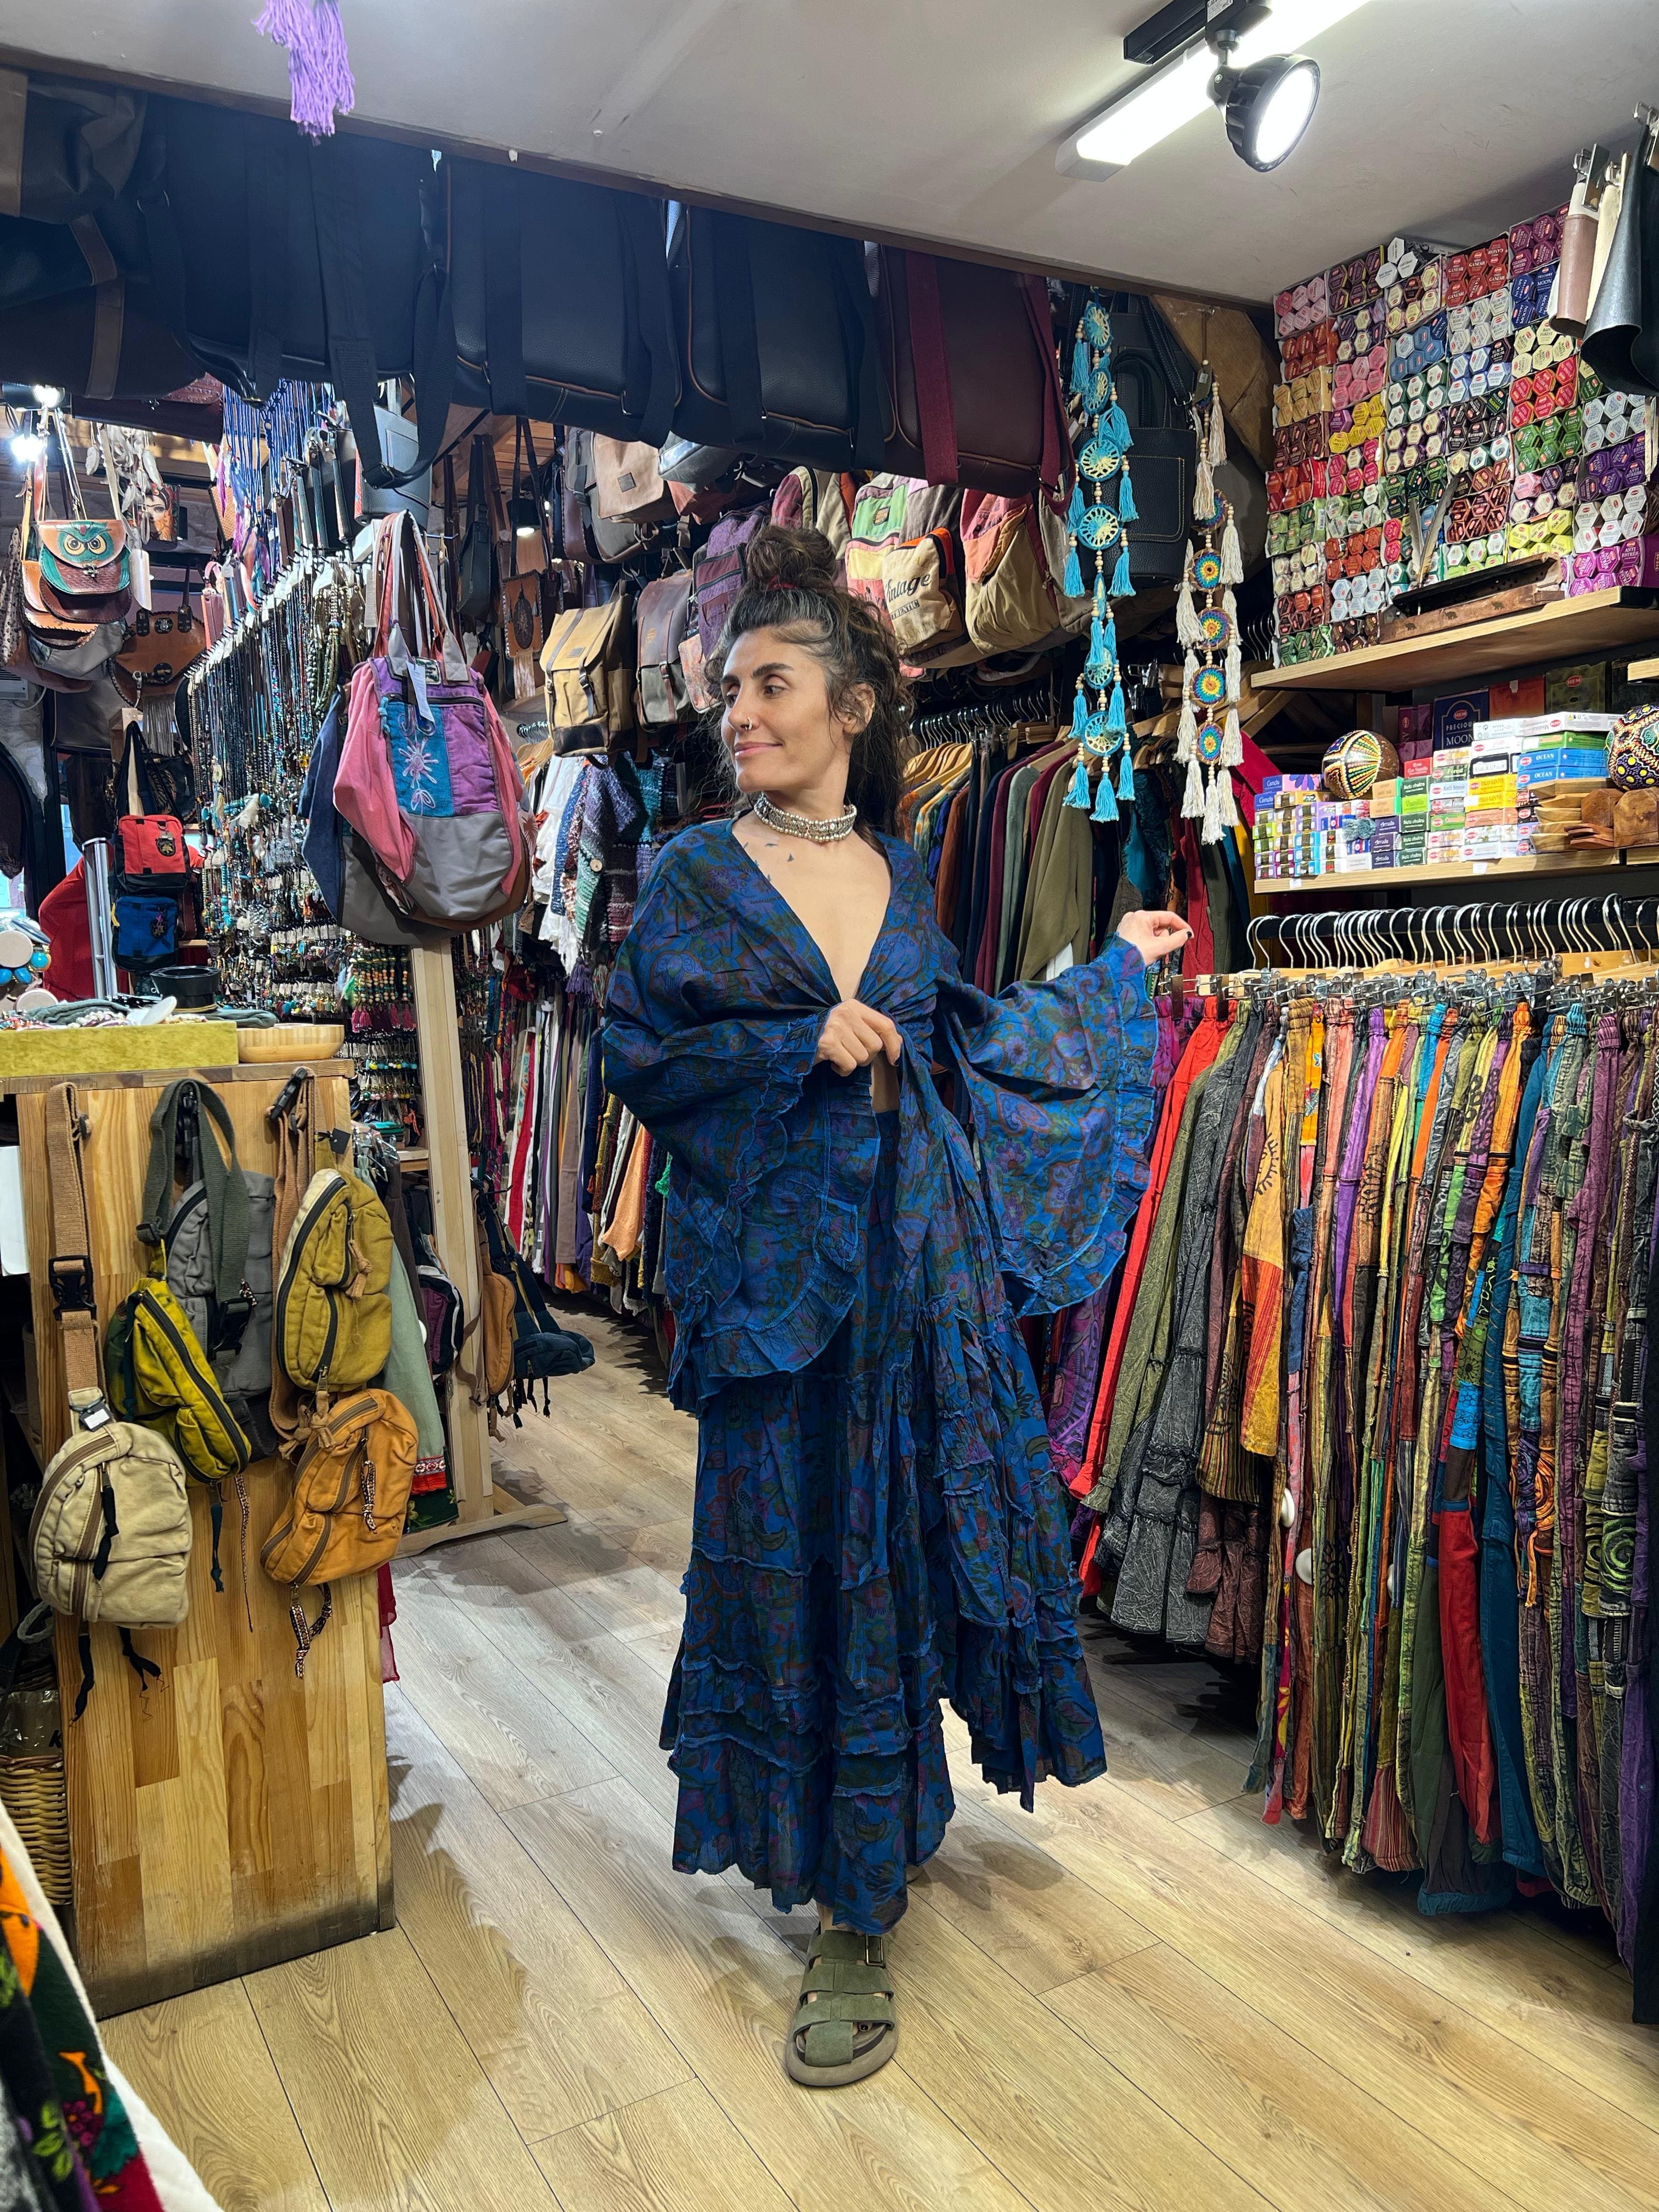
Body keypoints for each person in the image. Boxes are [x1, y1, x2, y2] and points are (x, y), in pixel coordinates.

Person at [603, 525, 1191, 2087]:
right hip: (777, 1295)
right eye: (732, 690)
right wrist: (790, 1046)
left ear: (851, 708)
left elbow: (967, 1042)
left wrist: (1113, 976)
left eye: (771, 686)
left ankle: (872, 1870)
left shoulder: (902, 871)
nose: (739, 714)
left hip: (915, 1279)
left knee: (896, 1563)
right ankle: (833, 1884)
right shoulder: (697, 876)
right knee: (795, 1567)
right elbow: (634, 1051)